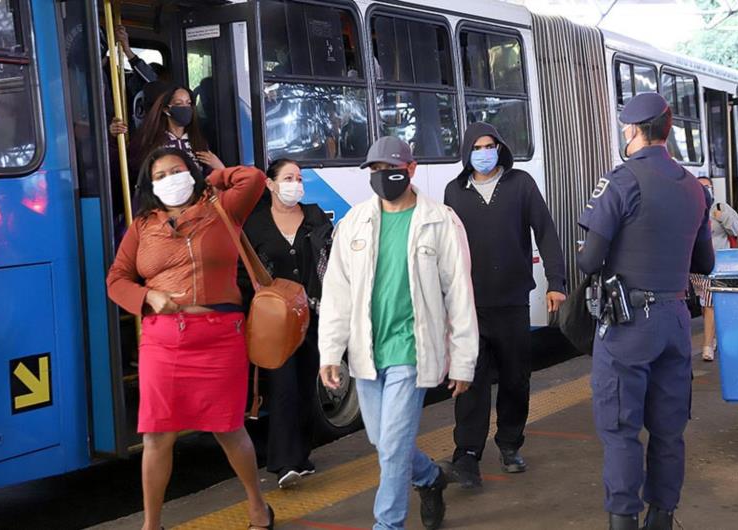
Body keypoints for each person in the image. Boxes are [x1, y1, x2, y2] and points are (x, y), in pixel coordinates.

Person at [106, 148, 273, 530]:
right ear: (150, 186)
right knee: (156, 437)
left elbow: (254, 178)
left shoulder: (222, 208)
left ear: (192, 174)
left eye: (177, 171)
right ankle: (152, 524)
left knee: (229, 430)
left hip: (219, 339)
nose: (169, 179)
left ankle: (257, 506)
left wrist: (208, 179)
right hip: (163, 343)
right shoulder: (142, 226)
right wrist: (148, 297)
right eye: (160, 175)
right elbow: (117, 280)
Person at [318, 136, 478, 530]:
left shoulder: (441, 220)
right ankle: (428, 477)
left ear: (410, 170)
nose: (381, 177)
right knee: (384, 442)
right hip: (367, 352)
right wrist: (329, 352)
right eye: (374, 171)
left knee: (391, 449)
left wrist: (463, 360)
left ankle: (387, 524)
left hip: (412, 349)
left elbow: (459, 293)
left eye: (389, 170)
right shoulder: (355, 221)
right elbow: (337, 293)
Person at [577, 92, 714, 530]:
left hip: (628, 325)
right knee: (668, 430)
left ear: (633, 130)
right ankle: (662, 516)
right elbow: (705, 264)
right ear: (668, 131)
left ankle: (623, 522)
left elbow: (587, 258)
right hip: (675, 321)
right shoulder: (695, 187)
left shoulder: (621, 180)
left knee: (621, 430)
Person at [442, 121, 567, 487]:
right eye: (477, 146)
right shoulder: (455, 192)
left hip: (512, 302)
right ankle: (467, 454)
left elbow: (545, 231)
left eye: (490, 145)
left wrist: (556, 283)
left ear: (499, 148)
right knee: (472, 380)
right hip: (471, 305)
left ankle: (510, 443)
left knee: (515, 378)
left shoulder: (520, 184)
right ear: (467, 151)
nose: (484, 152)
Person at [240, 159, 333, 489]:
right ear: (270, 184)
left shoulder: (315, 216)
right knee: (283, 388)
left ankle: (302, 456)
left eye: (299, 178)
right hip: (276, 325)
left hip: (313, 317)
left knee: (308, 387)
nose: (296, 183)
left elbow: (331, 261)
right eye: (288, 178)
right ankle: (283, 463)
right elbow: (245, 275)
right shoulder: (255, 225)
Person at [689, 177, 738, 362]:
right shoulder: (690, 210)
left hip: (717, 266)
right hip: (696, 268)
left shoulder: (720, 208)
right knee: (704, 304)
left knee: (709, 303)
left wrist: (723, 218)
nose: (705, 191)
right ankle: (714, 336)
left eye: (707, 187)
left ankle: (707, 345)